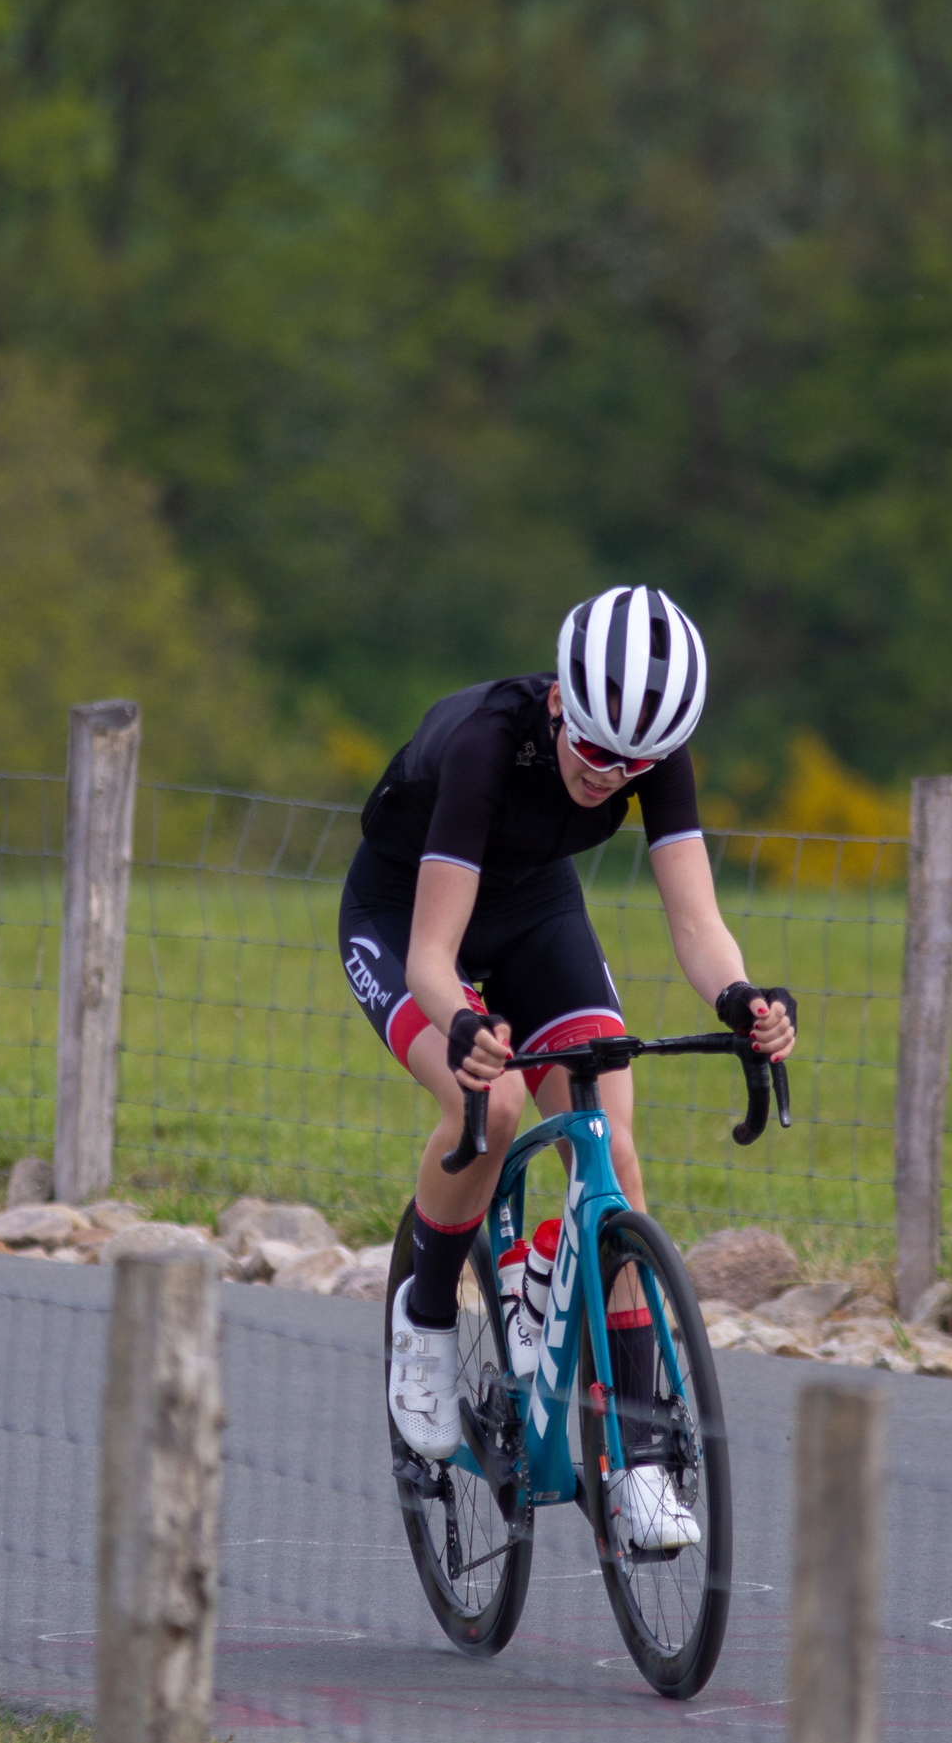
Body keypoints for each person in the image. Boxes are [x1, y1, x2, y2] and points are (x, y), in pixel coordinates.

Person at [339, 585, 796, 1550]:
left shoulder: (649, 757)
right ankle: (422, 1330)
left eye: (634, 764)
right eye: (594, 752)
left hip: (536, 914)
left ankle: (634, 1462)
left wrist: (743, 999)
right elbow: (431, 958)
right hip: (407, 915)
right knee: (493, 1107)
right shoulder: (483, 745)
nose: (610, 776)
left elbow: (696, 920)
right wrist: (461, 1021)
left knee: (614, 1156)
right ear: (560, 709)